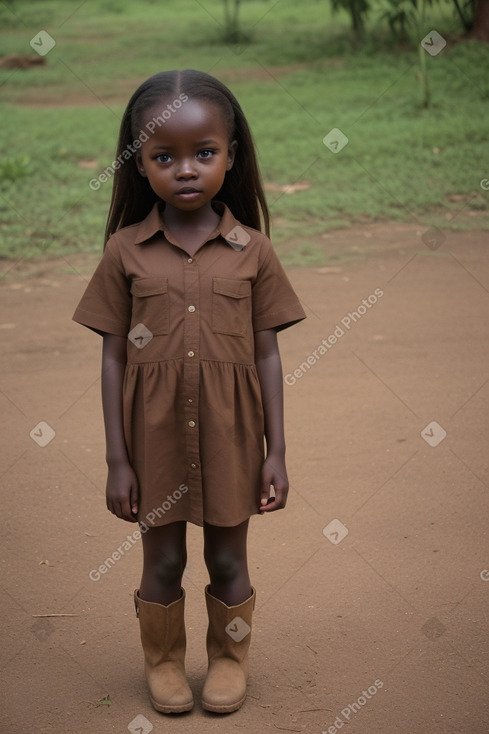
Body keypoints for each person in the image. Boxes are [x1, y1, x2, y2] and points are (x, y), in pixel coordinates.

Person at [73, 69, 306, 715]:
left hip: (233, 437)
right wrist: (118, 459)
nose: (185, 169)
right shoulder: (124, 252)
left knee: (229, 563)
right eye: (163, 156)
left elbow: (266, 353)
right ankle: (164, 661)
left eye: (203, 152)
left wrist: (276, 451)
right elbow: (113, 358)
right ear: (139, 163)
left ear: (230, 157)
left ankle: (229, 657)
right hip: (152, 442)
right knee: (164, 561)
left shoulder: (252, 251)